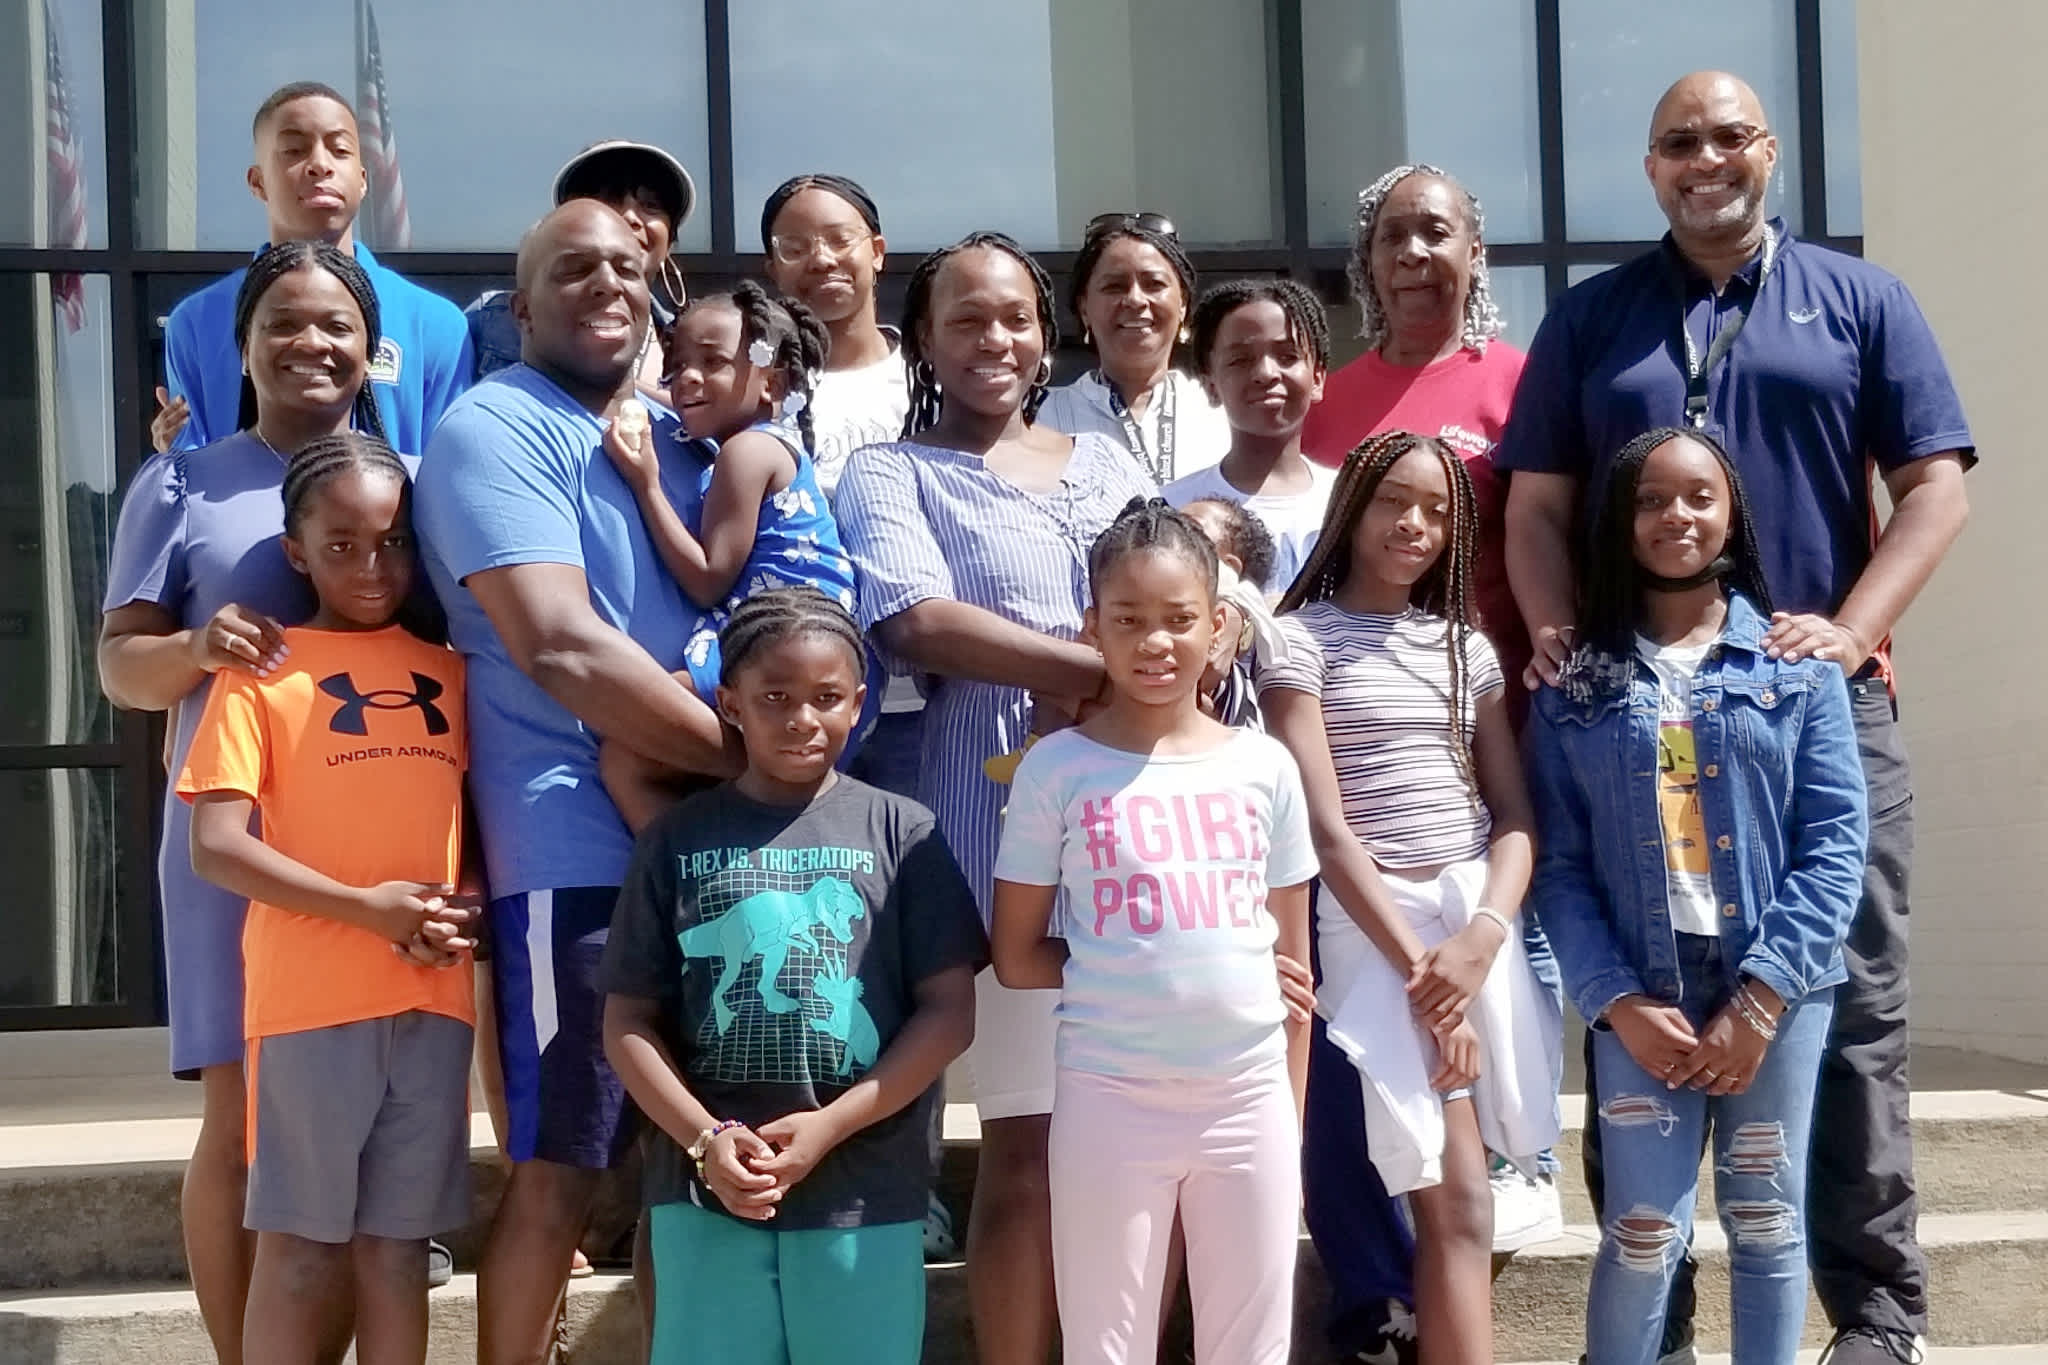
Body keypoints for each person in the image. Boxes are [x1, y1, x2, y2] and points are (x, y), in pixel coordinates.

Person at [1498, 70, 1974, 1365]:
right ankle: (1658, 1333)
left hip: (1808, 716)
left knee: (1854, 1008)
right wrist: (1553, 630)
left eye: (1725, 137)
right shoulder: (1595, 320)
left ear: (1768, 151)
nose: (1703, 159)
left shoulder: (1862, 301)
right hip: (1631, 713)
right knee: (1633, 1005)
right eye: (1675, 143)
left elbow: (1933, 487)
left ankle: (1874, 1318)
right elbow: (1534, 509)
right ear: (1649, 170)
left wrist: (1856, 630)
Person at [413, 200, 738, 1365]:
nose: (605, 283)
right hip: (573, 858)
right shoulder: (493, 430)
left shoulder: (663, 438)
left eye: (625, 265)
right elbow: (559, 644)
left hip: (704, 847)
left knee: (680, 1166)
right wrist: (754, 764)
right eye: (572, 269)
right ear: (522, 303)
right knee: (562, 1169)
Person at [833, 231, 1155, 1365]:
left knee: (1137, 1147)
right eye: (965, 319)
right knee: (1025, 1142)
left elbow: (1179, 608)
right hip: (1002, 853)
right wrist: (1094, 669)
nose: (995, 340)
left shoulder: (1111, 464)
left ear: (1046, 328)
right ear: (920, 336)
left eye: (1015, 316)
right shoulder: (889, 472)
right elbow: (914, 621)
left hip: (1144, 853)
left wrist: (1129, 667)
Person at [99, 240, 397, 1365]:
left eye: (334, 324)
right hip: (232, 836)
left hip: (381, 828)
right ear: (241, 345)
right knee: (243, 1123)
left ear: (373, 347)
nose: (310, 342)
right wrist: (192, 646)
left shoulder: (405, 481)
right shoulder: (183, 481)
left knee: (374, 1127)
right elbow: (121, 671)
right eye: (282, 322)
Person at [1525, 428, 1868, 1365]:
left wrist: (1761, 999)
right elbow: (1556, 864)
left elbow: (1837, 843)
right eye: (1650, 498)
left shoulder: (1796, 667)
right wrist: (1616, 1001)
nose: (1676, 514)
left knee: (1764, 1217)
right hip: (1642, 991)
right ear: (1619, 519)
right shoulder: (1570, 685)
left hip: (1776, 989)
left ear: (1732, 512)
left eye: (1698, 496)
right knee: (1643, 1232)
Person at [601, 588, 985, 1365]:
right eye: (775, 696)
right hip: (705, 1189)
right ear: (731, 701)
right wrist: (705, 1139)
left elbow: (948, 1012)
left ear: (859, 703)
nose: (802, 718)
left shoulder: (903, 830)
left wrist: (831, 1124)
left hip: (862, 1190)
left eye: (826, 697)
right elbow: (628, 1021)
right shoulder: (678, 837)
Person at [990, 499, 1316, 1365]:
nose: (1156, 642)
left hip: (1249, 1102)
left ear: (1219, 626)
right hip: (1110, 1099)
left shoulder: (1264, 764)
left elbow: (1294, 975)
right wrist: (1124, 956)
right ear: (1092, 626)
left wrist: (1291, 1114)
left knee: (1251, 1346)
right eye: (1129, 620)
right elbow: (1017, 955)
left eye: (1179, 620)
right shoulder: (1057, 770)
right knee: (1107, 1344)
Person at [178, 434, 479, 1365]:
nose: (372, 564)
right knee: (301, 1250)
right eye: (341, 544)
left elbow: (469, 831)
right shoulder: (260, 671)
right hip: (310, 1001)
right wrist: (373, 911)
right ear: (296, 551)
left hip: (432, 1002)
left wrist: (455, 907)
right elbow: (217, 847)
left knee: (397, 1254)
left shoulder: (454, 671)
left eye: (391, 541)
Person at [1262, 431, 1562, 1365]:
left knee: (1462, 1200)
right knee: (1446, 1190)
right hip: (1373, 935)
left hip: (1472, 936)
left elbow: (1513, 817)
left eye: (1438, 510)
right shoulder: (1298, 640)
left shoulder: (1468, 649)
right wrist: (1425, 972)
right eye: (1396, 500)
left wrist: (1478, 937)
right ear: (1352, 505)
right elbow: (1326, 831)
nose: (1416, 525)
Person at [597, 281, 880, 827]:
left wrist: (645, 483)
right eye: (676, 365)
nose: (688, 380)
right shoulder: (767, 444)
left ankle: (688, 885)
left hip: (781, 647)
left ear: (770, 381)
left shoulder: (745, 452)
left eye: (712, 362)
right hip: (802, 649)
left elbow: (708, 578)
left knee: (626, 749)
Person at [1301, 163, 1528, 709]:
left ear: (1474, 252)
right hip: (1359, 701)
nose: (1412, 253)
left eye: (1435, 232)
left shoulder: (1525, 384)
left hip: (1498, 698)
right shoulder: (1323, 403)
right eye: (1392, 237)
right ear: (1369, 261)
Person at [152, 82, 471, 457]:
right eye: (294, 150)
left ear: (363, 179)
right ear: (258, 182)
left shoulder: (434, 324)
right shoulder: (195, 322)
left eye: (340, 150)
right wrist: (174, 460)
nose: (321, 164)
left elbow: (447, 473)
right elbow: (195, 474)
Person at [469, 139, 696, 392]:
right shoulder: (493, 318)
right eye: (609, 200)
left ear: (670, 242)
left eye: (652, 205)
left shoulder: (691, 343)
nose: (630, 217)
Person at [1163, 279, 1337, 590]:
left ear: (1318, 378)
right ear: (1210, 384)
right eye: (1240, 360)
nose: (1266, 373)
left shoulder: (1351, 502)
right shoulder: (1174, 509)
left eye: (1287, 356)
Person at [1037, 213, 1229, 484]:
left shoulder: (1223, 413)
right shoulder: (1040, 417)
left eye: (1154, 285)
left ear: (1183, 304)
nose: (1136, 300)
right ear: (1084, 309)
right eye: (1114, 287)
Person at [761, 174, 909, 496]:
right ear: (773, 270)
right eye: (794, 248)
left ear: (877, 252)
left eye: (840, 240)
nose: (822, 260)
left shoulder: (930, 380)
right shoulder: (758, 390)